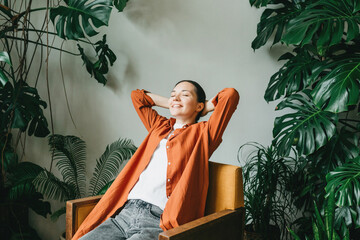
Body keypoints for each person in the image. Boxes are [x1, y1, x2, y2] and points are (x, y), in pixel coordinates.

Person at [74, 80, 239, 240]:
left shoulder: (205, 133)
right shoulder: (159, 126)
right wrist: (173, 103)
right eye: (173, 94)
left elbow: (230, 95)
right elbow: (137, 97)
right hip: (124, 214)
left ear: (199, 105)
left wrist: (205, 108)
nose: (175, 98)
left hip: (157, 221)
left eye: (185, 95)